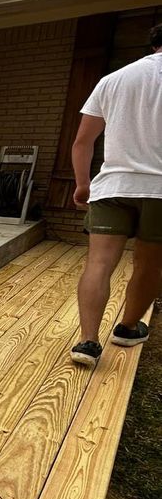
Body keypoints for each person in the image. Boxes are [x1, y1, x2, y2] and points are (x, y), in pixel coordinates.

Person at [70, 22, 162, 366]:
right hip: (160, 190)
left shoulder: (114, 79)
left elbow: (83, 141)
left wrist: (83, 183)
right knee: (149, 263)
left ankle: (87, 343)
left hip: (113, 186)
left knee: (99, 262)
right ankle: (126, 329)